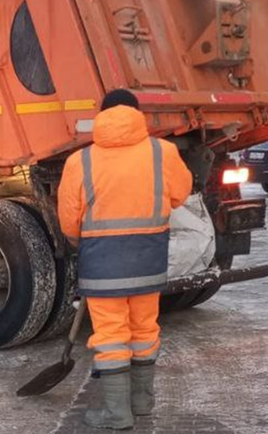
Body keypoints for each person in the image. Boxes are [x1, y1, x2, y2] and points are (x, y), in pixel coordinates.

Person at [57, 89, 192, 430]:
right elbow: (180, 194)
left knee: (112, 335)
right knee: (145, 330)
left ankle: (117, 415)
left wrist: (81, 242)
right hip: (148, 260)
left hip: (102, 264)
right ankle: (142, 404)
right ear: (137, 113)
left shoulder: (81, 160)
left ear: (102, 114)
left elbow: (69, 220)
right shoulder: (163, 152)